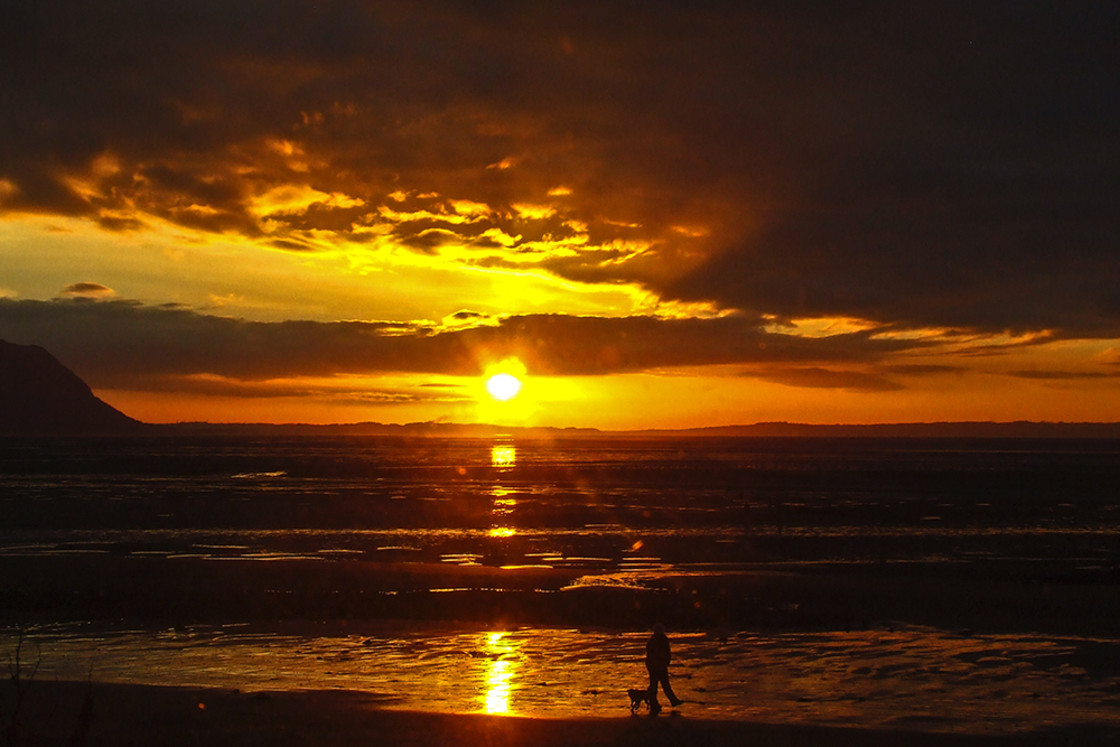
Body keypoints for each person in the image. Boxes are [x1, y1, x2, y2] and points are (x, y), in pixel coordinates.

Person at [645, 623, 682, 713]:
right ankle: (665, 702)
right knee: (661, 685)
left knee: (656, 685)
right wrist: (664, 662)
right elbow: (662, 653)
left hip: (655, 665)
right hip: (657, 666)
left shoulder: (654, 640)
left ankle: (657, 703)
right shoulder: (660, 640)